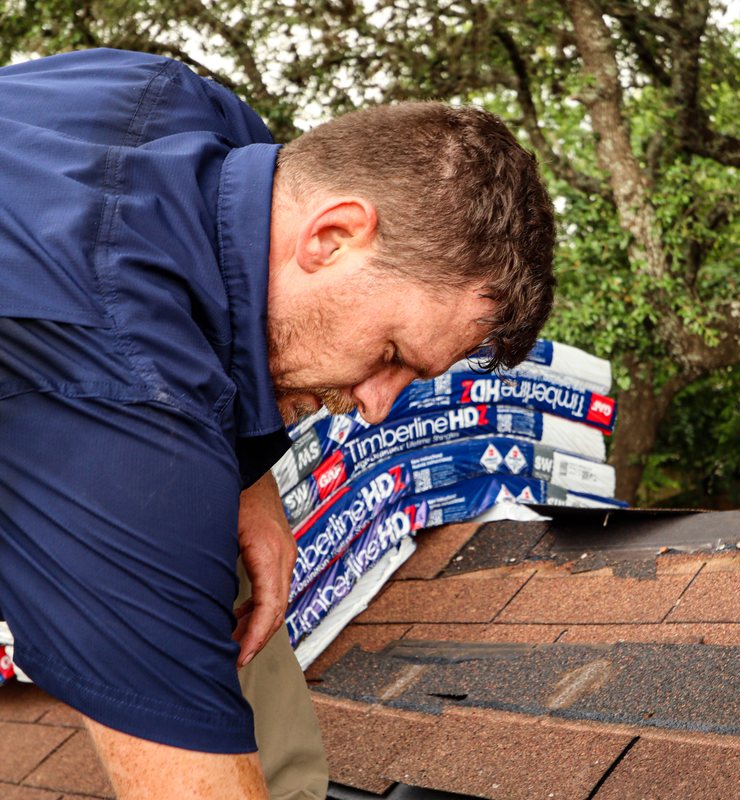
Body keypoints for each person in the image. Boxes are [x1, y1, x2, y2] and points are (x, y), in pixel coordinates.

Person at [0, 48, 555, 799]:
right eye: (390, 353)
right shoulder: (127, 406)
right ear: (330, 236)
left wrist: (252, 478)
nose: (376, 403)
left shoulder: (195, 115)